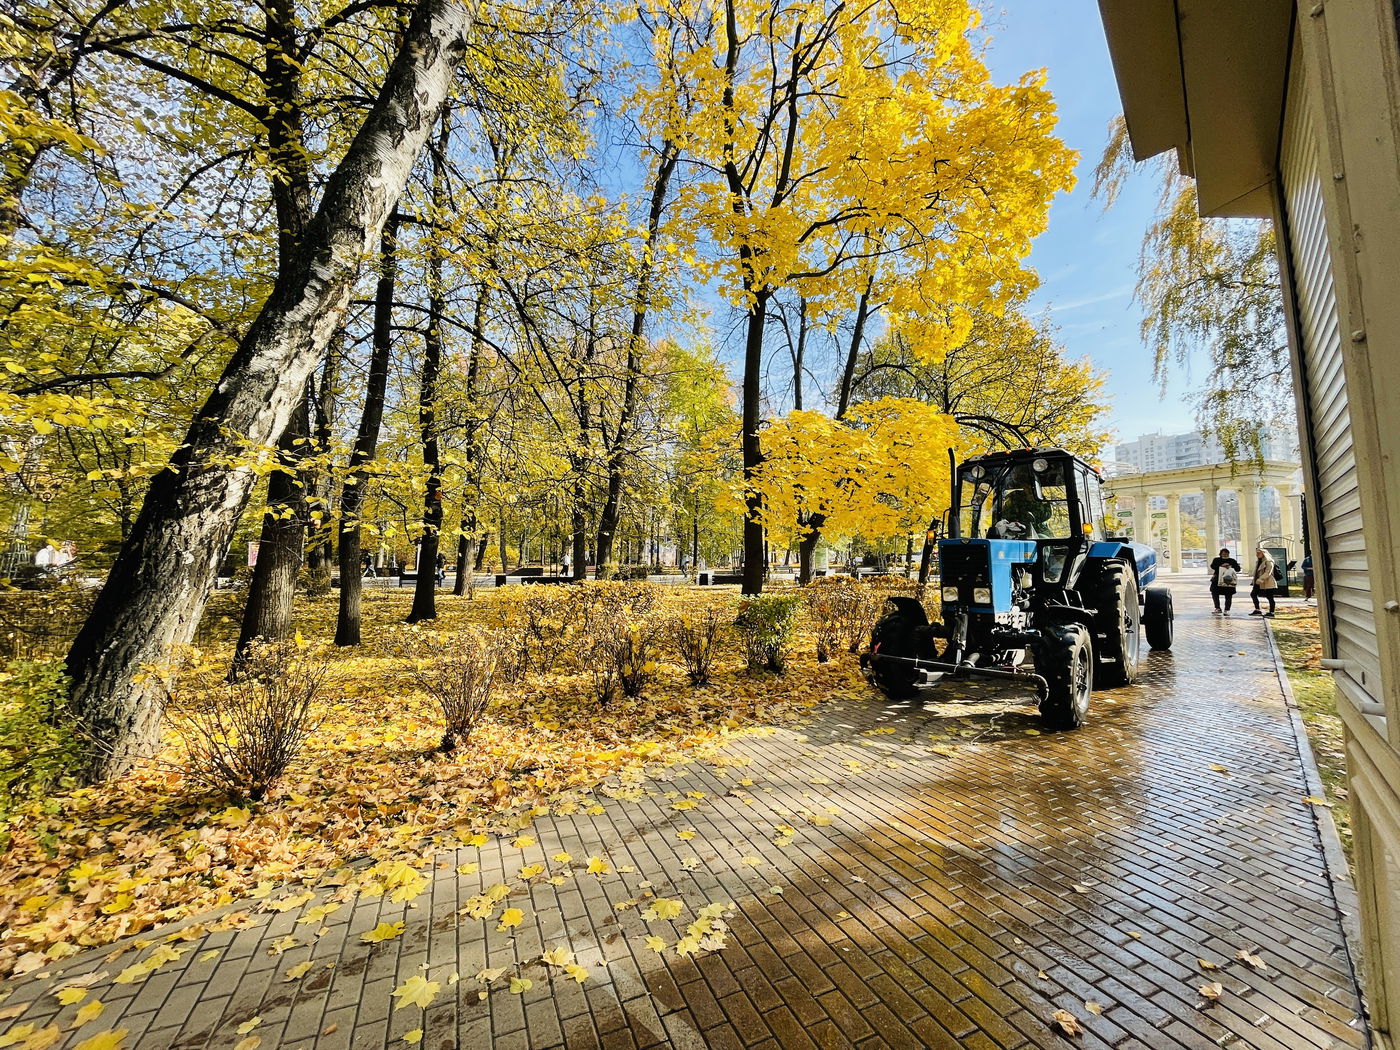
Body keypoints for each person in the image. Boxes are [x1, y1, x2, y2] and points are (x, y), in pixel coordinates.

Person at [1209, 547, 1241, 614]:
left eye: (1226, 554)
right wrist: (1221, 566)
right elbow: (1212, 566)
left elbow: (1238, 569)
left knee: (1229, 595)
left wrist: (1230, 566)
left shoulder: (1232, 560)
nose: (1225, 555)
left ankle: (1227, 609)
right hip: (1217, 579)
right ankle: (1217, 608)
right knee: (1215, 593)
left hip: (1228, 580)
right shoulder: (1216, 560)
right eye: (1223, 554)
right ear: (1220, 554)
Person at [1250, 546, 1277, 617]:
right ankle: (1257, 610)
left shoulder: (1269, 561)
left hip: (1267, 582)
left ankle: (1271, 612)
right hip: (1258, 582)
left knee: (1270, 597)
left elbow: (1268, 572)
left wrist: (1261, 579)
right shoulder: (1258, 561)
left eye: (1259, 553)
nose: (1257, 554)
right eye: (1257, 553)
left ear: (1264, 553)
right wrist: (1254, 580)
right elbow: (1256, 572)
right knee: (1253, 594)